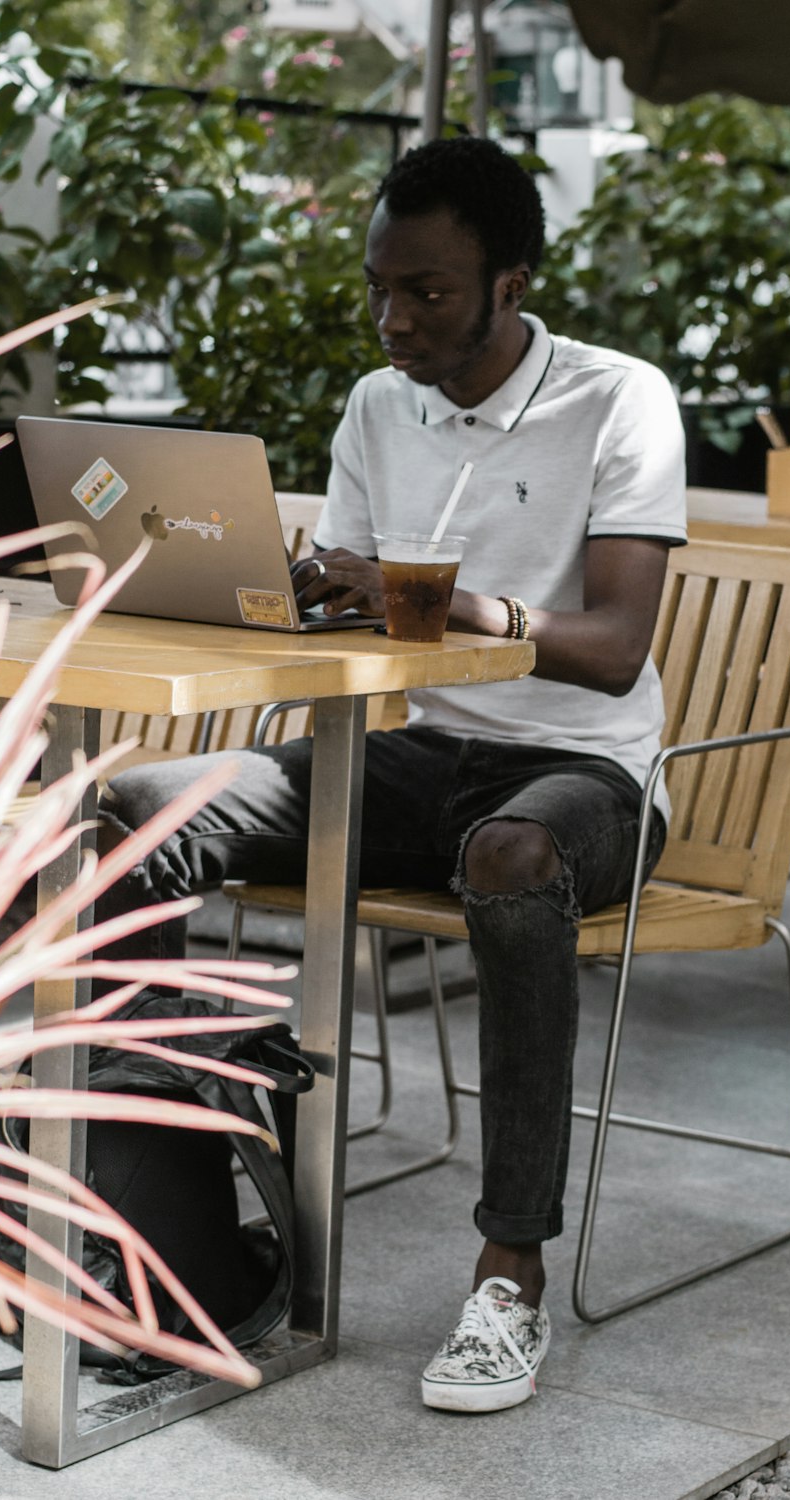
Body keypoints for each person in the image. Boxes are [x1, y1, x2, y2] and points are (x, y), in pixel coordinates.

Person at [95, 135, 687, 1414]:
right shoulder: (378, 403)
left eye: (426, 291)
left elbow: (616, 647)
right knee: (137, 811)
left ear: (510, 284)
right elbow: (360, 619)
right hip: (418, 755)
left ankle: (508, 1270)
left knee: (510, 861)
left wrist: (447, 600)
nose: (394, 317)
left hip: (583, 777)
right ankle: (172, 1215)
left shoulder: (620, 399)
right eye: (380, 288)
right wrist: (279, 596)